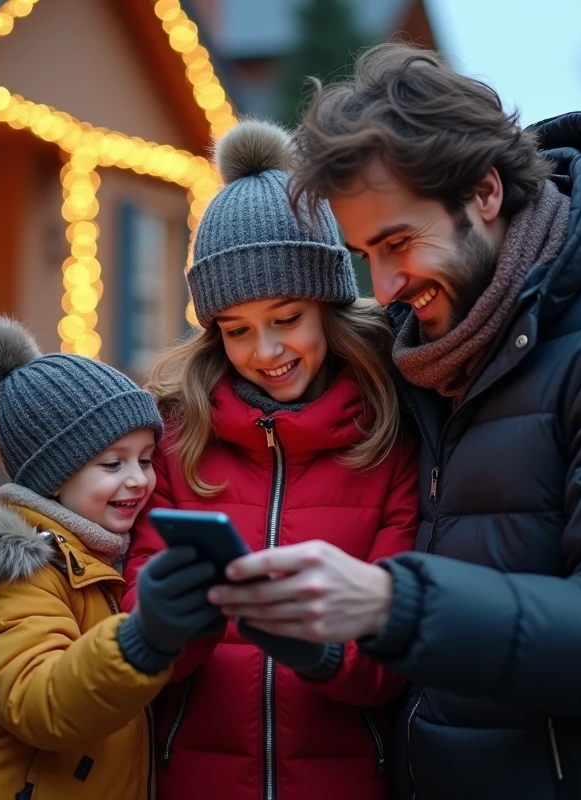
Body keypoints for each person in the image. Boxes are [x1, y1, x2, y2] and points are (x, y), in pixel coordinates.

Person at [209, 44, 581, 800]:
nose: (388, 286)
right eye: (367, 253)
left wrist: (393, 603)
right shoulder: (442, 350)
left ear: (486, 192)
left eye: (398, 242)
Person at [122, 119, 420, 800]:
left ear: (328, 305)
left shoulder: (392, 436)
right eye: (236, 329)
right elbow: (132, 639)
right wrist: (166, 626)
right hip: (193, 780)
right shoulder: (176, 438)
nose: (265, 351)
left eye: (286, 318)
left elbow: (396, 648)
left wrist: (320, 647)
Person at [0, 316, 222, 800]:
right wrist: (142, 637)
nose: (138, 479)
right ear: (53, 477)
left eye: (146, 459)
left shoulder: (92, 559)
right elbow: (43, 703)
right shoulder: (15, 577)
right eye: (112, 463)